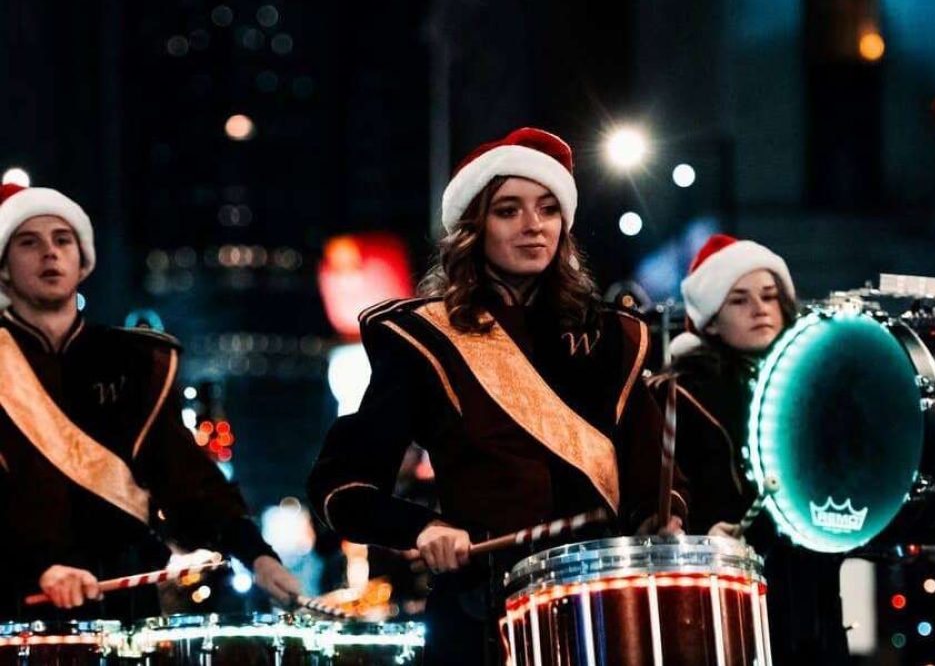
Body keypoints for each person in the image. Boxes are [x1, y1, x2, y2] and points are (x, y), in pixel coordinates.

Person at [308, 127, 687, 665]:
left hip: (605, 612)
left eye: (548, 209)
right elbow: (341, 484)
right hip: (483, 612)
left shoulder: (614, 339)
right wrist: (424, 528)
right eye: (508, 210)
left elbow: (657, 479)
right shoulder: (427, 339)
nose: (534, 226)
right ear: (473, 227)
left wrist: (662, 515)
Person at [0, 182, 301, 619]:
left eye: (62, 240)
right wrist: (39, 566)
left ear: (83, 262)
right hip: (16, 607)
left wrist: (257, 556)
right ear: (4, 269)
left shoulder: (136, 361)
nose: (50, 253)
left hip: (123, 607)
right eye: (29, 242)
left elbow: (185, 478)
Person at [648, 233, 849, 666]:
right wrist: (702, 536)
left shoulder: (814, 386)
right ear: (711, 320)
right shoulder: (677, 396)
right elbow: (664, 494)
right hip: (724, 596)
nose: (760, 308)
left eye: (769, 296)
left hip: (809, 593)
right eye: (739, 300)